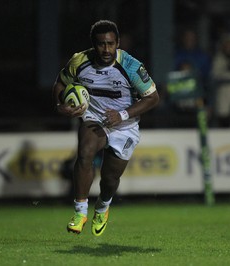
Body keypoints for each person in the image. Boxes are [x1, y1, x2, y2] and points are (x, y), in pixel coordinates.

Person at [52, 20, 159, 236]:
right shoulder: (79, 61)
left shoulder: (130, 65)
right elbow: (60, 83)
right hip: (95, 117)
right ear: (94, 44)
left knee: (110, 179)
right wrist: (60, 104)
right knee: (85, 153)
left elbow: (153, 98)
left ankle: (102, 207)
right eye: (101, 44)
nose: (106, 49)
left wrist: (121, 115)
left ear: (117, 43)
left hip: (125, 124)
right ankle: (80, 212)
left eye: (110, 44)